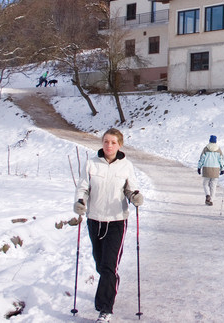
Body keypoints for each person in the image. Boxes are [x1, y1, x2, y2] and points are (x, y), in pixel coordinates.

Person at [73, 128, 143, 323]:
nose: (109, 145)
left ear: (119, 145)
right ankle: (110, 285)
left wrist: (135, 196)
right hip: (94, 219)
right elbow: (83, 188)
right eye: (106, 141)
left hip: (117, 221)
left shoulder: (126, 166)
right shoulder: (91, 164)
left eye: (113, 142)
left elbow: (131, 188)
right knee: (100, 263)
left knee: (109, 266)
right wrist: (80, 201)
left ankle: (105, 308)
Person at [197, 135, 224, 205]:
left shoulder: (206, 149)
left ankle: (207, 195)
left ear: (209, 140)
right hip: (216, 169)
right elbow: (221, 160)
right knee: (213, 185)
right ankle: (211, 199)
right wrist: (222, 168)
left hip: (207, 168)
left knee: (205, 183)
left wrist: (199, 167)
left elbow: (202, 158)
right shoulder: (218, 149)